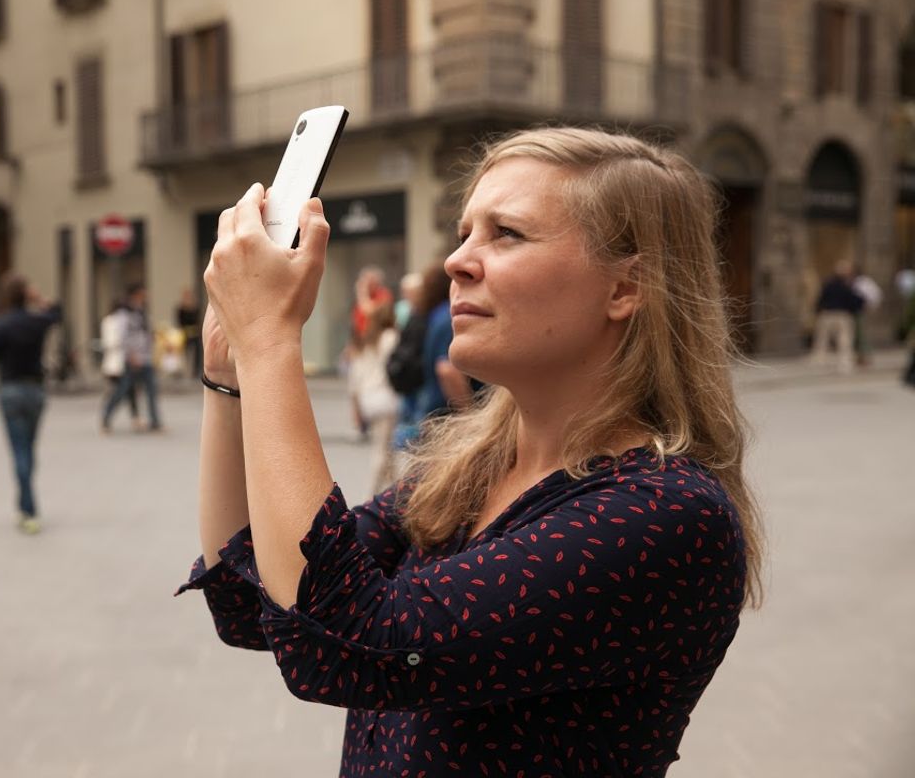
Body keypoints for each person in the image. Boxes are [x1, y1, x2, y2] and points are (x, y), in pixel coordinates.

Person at [181, 127, 764, 776]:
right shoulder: (465, 470)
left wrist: (270, 342)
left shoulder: (671, 515)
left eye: (505, 233)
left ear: (626, 288)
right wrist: (228, 372)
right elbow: (248, 604)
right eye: (464, 233)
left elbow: (351, 645)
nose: (458, 260)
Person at [0, 273, 62, 534]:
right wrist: (40, 298)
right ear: (26, 294)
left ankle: (28, 509)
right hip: (35, 390)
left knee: (20, 450)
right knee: (29, 449)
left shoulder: (0, 325)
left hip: (11, 390)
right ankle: (26, 506)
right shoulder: (37, 321)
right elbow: (57, 314)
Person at [392, 259, 472, 451]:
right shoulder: (449, 316)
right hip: (446, 415)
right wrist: (471, 413)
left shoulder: (432, 315)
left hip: (430, 407)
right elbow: (446, 368)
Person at [345, 300, 400, 493]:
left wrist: (356, 406)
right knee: (382, 449)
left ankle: (396, 489)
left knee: (387, 445)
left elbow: (355, 377)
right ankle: (372, 494)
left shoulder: (366, 342)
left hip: (367, 398)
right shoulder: (391, 337)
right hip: (385, 397)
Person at [98, 283, 161, 433]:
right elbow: (122, 336)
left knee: (151, 390)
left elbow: (145, 334)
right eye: (142, 294)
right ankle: (106, 418)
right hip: (132, 359)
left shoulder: (141, 312)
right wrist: (131, 355)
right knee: (121, 390)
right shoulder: (124, 314)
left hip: (146, 358)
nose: (146, 298)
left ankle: (155, 422)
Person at [810, 260, 864, 374]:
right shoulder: (846, 285)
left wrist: (818, 311)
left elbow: (820, 299)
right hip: (842, 315)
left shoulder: (828, 284)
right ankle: (844, 364)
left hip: (827, 314)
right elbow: (854, 300)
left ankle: (819, 361)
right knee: (844, 340)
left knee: (822, 339)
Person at [98, 297, 142, 432]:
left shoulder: (110, 321)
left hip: (122, 361)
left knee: (130, 391)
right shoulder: (112, 322)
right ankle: (106, 417)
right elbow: (112, 341)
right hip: (117, 361)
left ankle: (135, 418)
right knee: (120, 391)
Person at [851, 265, 882, 367]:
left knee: (862, 335)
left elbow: (874, 295)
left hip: (861, 311)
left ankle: (865, 358)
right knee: (860, 335)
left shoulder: (862, 282)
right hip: (859, 310)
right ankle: (861, 357)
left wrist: (869, 306)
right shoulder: (862, 282)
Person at [175, 287, 202, 379]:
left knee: (197, 353)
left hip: (194, 333)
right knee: (185, 353)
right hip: (185, 333)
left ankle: (196, 371)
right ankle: (185, 371)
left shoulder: (195, 307)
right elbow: (179, 321)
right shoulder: (180, 308)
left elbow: (198, 320)